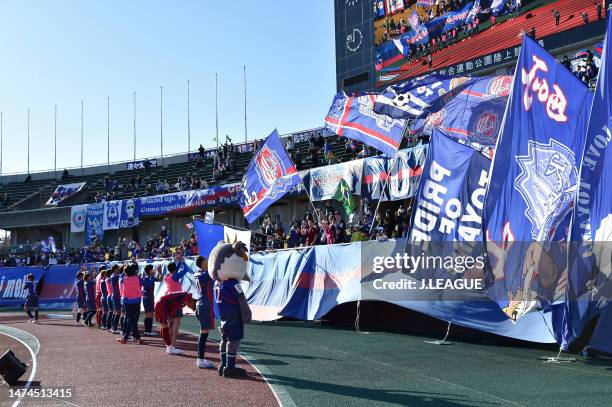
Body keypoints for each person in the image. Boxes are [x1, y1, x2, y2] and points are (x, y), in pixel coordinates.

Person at [163, 251, 190, 352]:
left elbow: (176, 269)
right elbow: (186, 269)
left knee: (171, 323)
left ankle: (169, 345)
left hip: (169, 300)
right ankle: (172, 346)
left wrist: (178, 261)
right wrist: (182, 261)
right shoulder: (175, 276)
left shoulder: (167, 276)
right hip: (176, 301)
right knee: (176, 324)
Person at [194, 256, 216, 369]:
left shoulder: (200, 273)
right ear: (202, 263)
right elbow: (214, 269)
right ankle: (200, 358)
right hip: (204, 305)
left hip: (201, 304)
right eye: (206, 260)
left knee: (204, 332)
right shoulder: (204, 274)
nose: (208, 261)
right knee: (204, 333)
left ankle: (200, 358)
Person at [118, 264, 144, 345]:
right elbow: (144, 284)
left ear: (125, 273)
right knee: (132, 320)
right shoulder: (138, 278)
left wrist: (123, 271)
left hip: (127, 302)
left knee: (131, 320)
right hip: (137, 301)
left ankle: (137, 337)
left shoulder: (123, 279)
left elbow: (120, 277)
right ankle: (126, 337)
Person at [141, 264, 161, 336]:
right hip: (148, 297)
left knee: (149, 314)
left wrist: (160, 272)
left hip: (148, 297)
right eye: (152, 269)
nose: (153, 270)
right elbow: (148, 285)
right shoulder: (147, 277)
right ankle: (148, 331)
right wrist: (152, 276)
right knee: (149, 314)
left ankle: (147, 330)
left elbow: (160, 279)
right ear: (149, 270)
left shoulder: (149, 277)